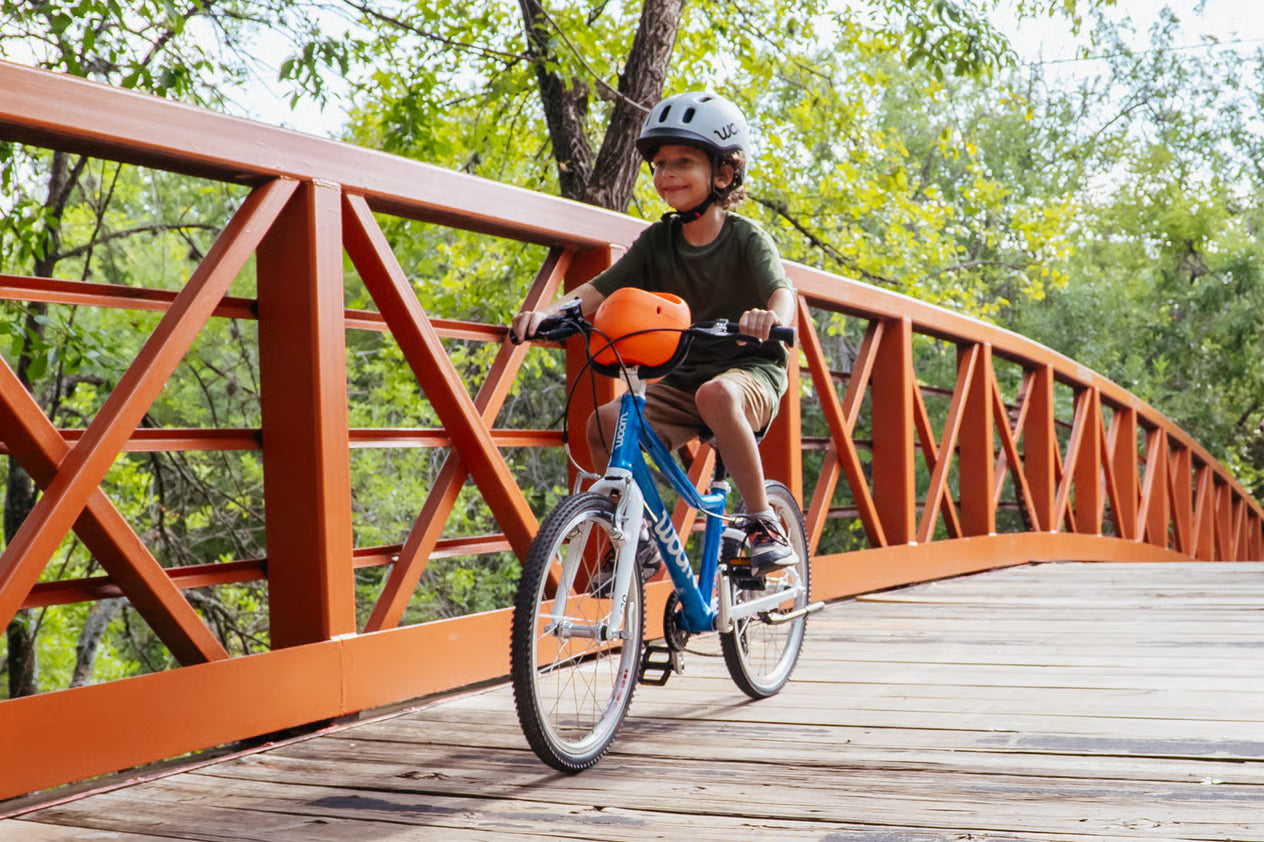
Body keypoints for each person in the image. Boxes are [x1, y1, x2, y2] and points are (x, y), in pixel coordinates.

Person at [512, 91, 797, 578]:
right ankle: (639, 536)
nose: (667, 174)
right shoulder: (658, 241)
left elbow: (782, 292)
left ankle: (762, 521)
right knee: (602, 424)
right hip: (685, 378)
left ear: (723, 173)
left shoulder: (746, 238)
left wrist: (769, 318)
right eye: (660, 163)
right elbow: (597, 291)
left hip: (749, 372)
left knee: (717, 395)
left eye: (683, 162)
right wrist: (547, 313)